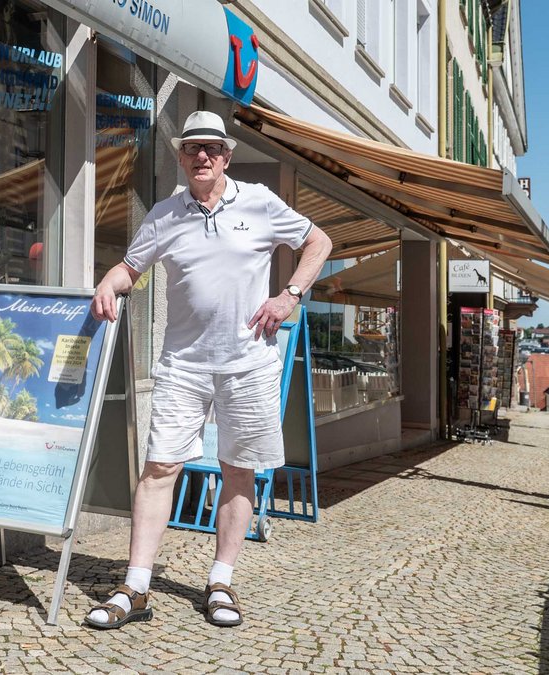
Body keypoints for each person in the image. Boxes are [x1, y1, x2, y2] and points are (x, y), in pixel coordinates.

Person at [85, 110, 332, 629]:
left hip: (248, 363)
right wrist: (107, 283)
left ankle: (220, 580)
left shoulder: (260, 202)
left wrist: (289, 295)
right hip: (183, 364)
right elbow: (130, 269)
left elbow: (319, 242)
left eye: (212, 148)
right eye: (193, 147)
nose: (203, 156)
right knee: (159, 469)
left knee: (238, 470)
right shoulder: (164, 213)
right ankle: (136, 587)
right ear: (180, 156)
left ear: (226, 156)